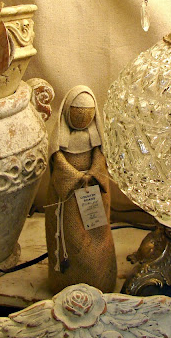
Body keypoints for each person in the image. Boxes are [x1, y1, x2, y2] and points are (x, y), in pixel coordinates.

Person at [45, 85, 117, 293]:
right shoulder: (60, 140)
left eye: (87, 113)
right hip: (68, 198)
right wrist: (75, 178)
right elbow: (57, 161)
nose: (82, 117)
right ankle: (66, 284)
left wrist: (92, 175)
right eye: (77, 113)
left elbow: (100, 158)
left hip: (92, 190)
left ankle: (101, 280)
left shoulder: (95, 139)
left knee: (97, 240)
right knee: (71, 240)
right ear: (67, 111)